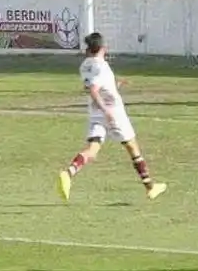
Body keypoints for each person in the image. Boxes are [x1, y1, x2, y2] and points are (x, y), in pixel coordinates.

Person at [57, 32, 168, 203]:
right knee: (132, 147)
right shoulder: (102, 66)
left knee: (93, 148)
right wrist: (107, 110)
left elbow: (95, 87)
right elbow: (94, 89)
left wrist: (115, 86)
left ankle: (69, 172)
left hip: (94, 112)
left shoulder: (85, 66)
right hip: (113, 111)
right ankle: (150, 187)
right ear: (103, 48)